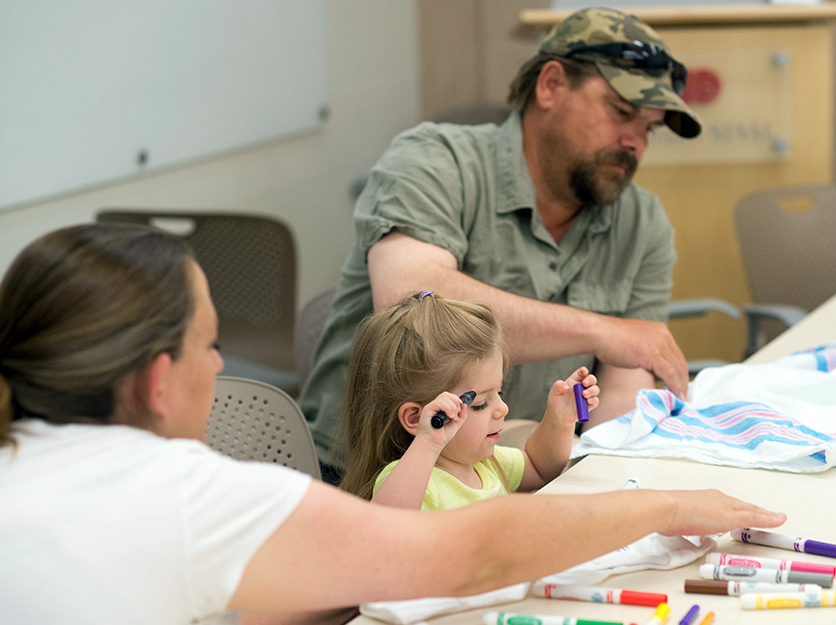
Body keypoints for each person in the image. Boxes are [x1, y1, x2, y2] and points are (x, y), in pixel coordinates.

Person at [0, 224, 785, 624]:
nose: (219, 364)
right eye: (209, 343)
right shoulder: (172, 489)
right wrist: (668, 507)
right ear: (156, 379)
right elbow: (464, 552)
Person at [300, 7, 705, 483]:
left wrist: (609, 480)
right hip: (365, 484)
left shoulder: (642, 223)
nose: (636, 141)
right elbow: (411, 296)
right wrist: (603, 330)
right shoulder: (435, 159)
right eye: (622, 112)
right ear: (551, 85)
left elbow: (621, 394)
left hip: (515, 480)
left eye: (650, 128)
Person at [339, 292, 599, 509]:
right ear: (418, 419)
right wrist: (428, 444)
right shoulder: (409, 481)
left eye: (500, 392)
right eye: (480, 404)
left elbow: (541, 468)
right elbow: (383, 528)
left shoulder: (485, 463)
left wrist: (559, 420)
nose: (502, 409)